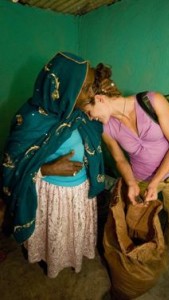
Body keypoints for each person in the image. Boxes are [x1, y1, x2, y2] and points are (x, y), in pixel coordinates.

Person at [1, 52, 105, 278]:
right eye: (85, 87)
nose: (92, 93)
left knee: (72, 234)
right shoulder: (30, 119)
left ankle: (71, 260)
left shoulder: (78, 113)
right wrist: (47, 169)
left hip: (79, 192)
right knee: (54, 234)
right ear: (66, 86)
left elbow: (94, 140)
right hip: (50, 194)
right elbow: (11, 168)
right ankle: (50, 262)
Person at [77, 63, 169, 263]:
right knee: (139, 219)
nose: (90, 117)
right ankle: (141, 252)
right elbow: (120, 158)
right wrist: (130, 183)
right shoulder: (106, 128)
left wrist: (156, 182)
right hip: (141, 178)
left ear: (100, 99)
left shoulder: (153, 102)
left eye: (88, 111)